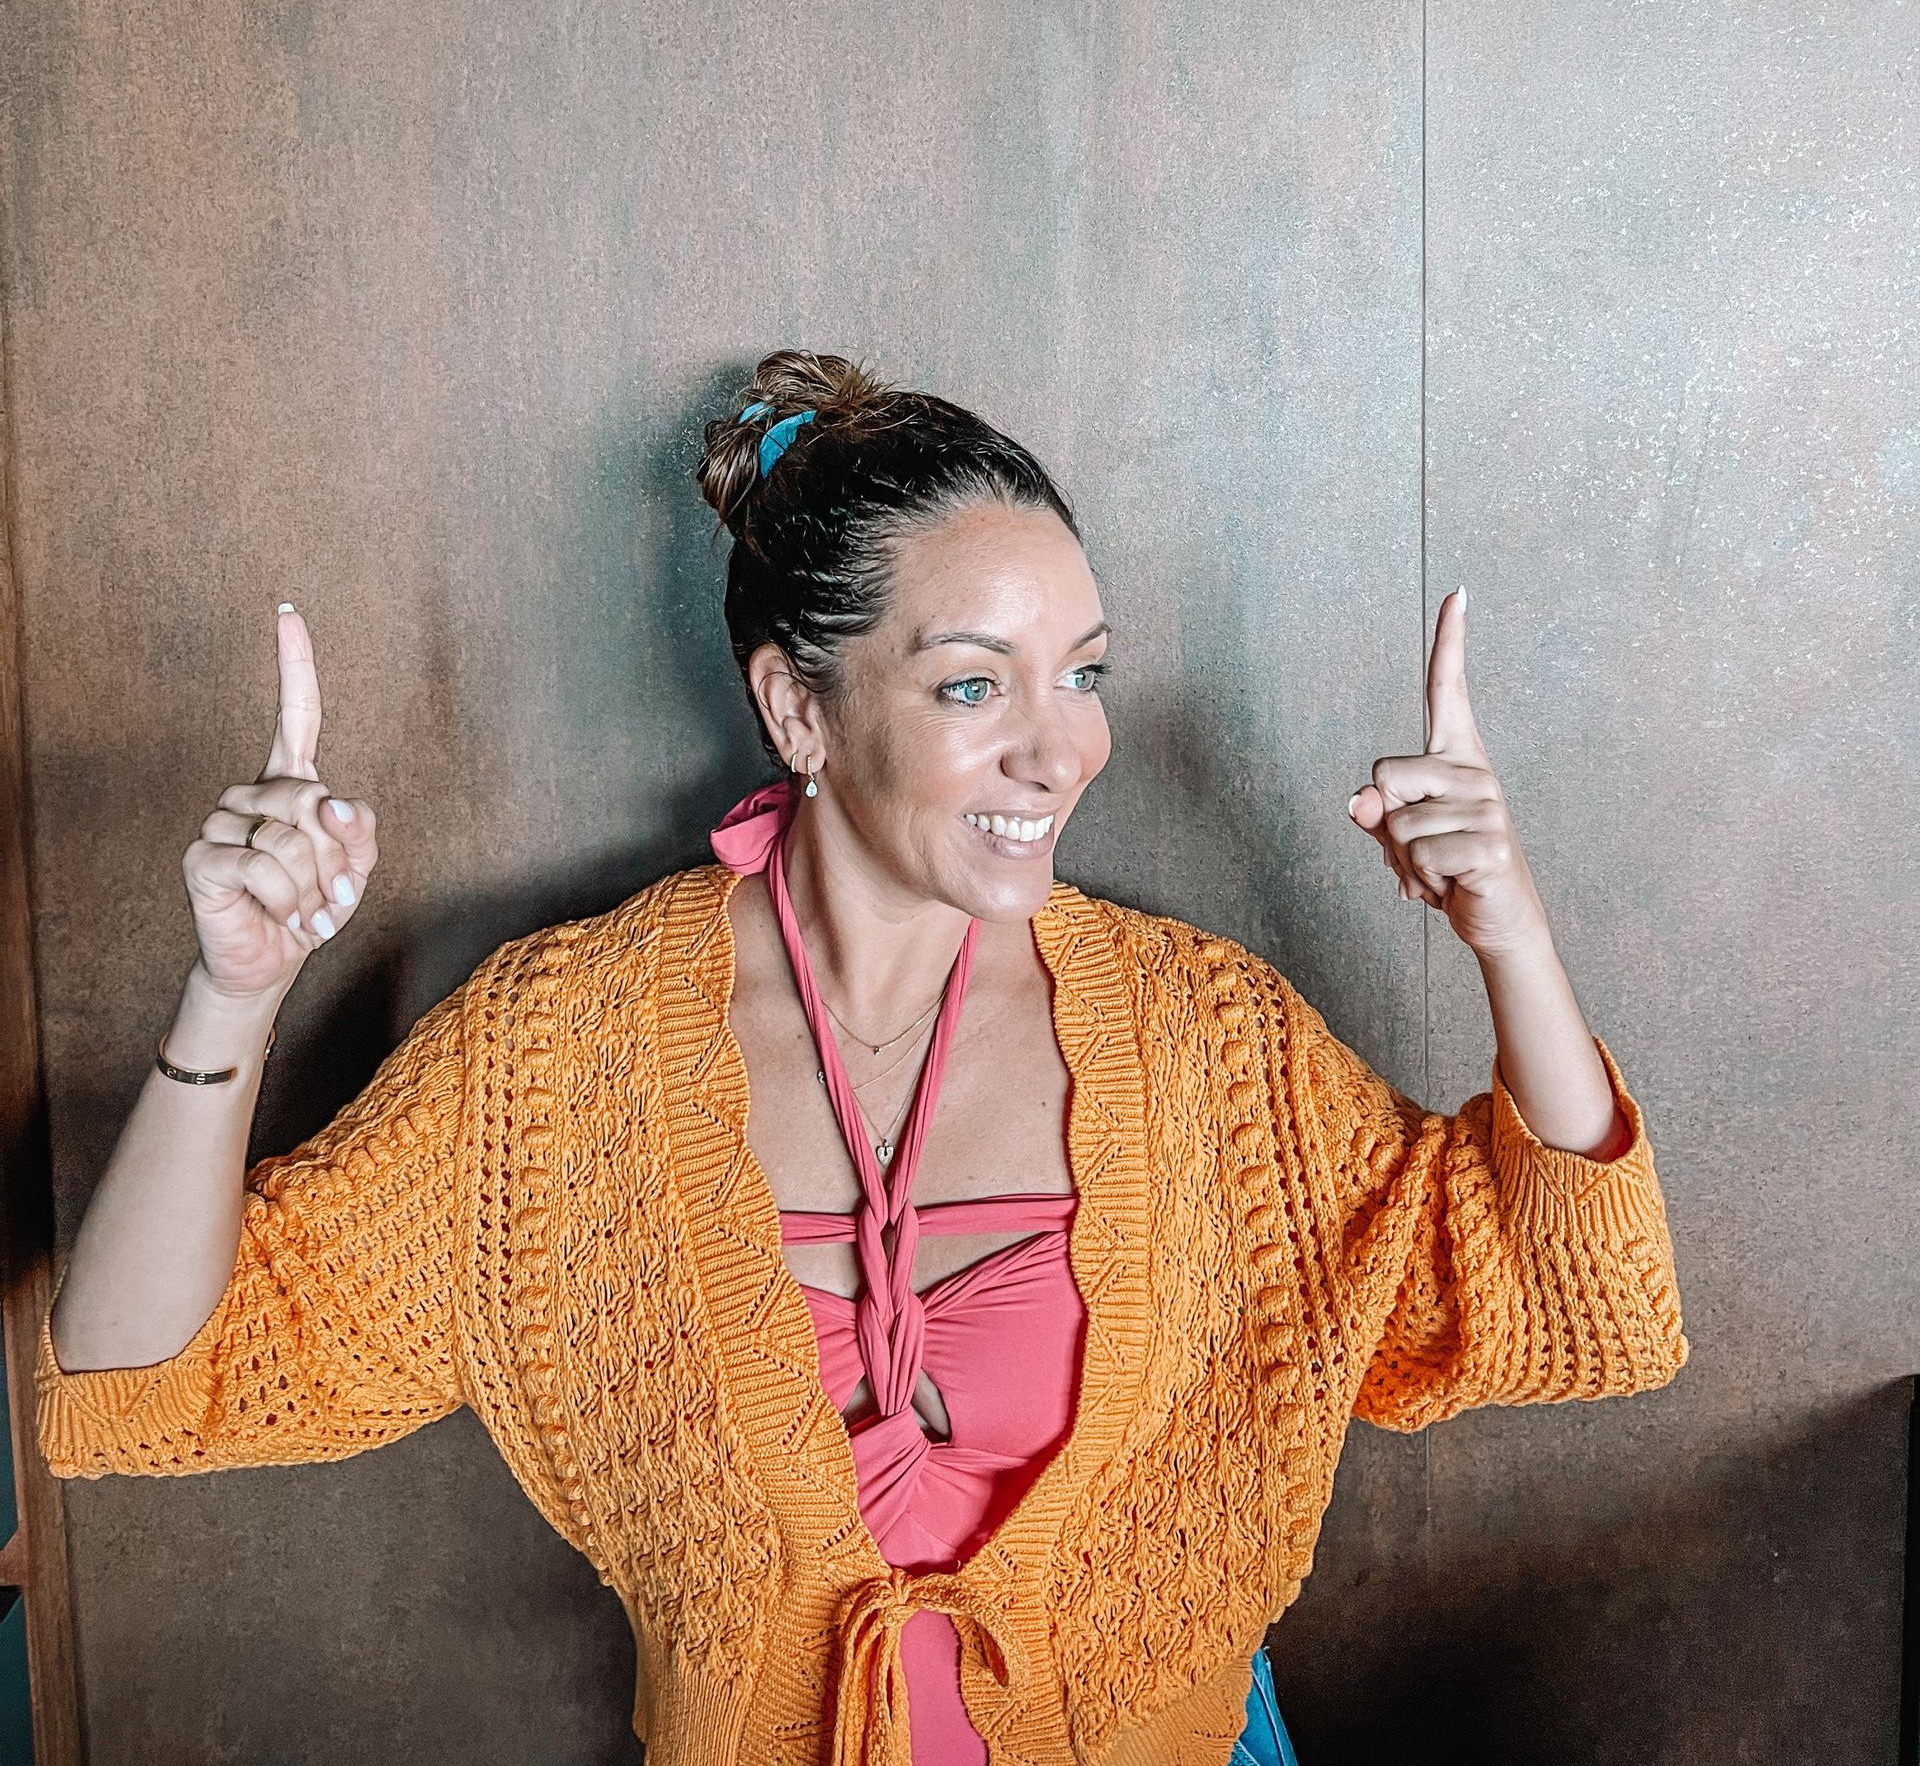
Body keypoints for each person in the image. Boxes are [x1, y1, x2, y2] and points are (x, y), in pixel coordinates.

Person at [36, 349, 1688, 1766]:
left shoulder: (1203, 1038)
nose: (1060, 747)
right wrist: (236, 991)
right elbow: (138, 1372)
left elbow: (1571, 1304)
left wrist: (1510, 936)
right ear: (799, 712)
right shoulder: (559, 1054)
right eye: (974, 685)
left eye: (1084, 674)